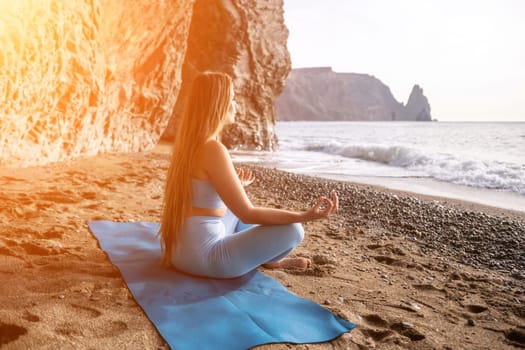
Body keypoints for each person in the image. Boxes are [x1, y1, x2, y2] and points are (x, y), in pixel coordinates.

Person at [158, 71, 339, 278]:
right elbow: (248, 214)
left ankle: (271, 260)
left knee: (235, 207)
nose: (236, 105)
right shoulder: (213, 149)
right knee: (294, 230)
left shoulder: (187, 146)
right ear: (219, 104)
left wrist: (235, 187)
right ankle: (272, 260)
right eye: (233, 99)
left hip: (178, 253)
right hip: (207, 259)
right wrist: (306, 216)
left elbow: (197, 198)